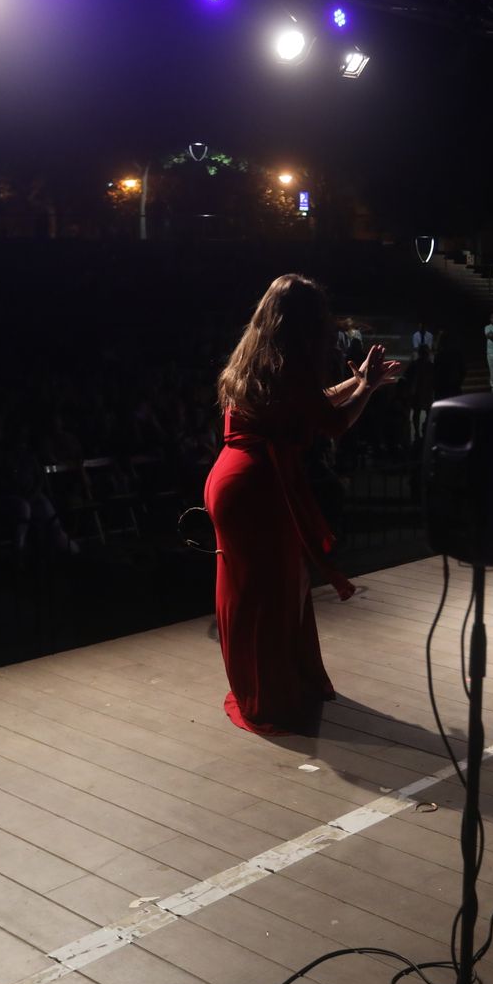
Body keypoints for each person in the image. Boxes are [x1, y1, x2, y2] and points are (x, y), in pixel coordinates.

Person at [204, 275, 402, 735]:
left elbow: (308, 406)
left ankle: (261, 684)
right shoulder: (291, 362)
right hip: (258, 487)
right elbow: (332, 424)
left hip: (232, 479)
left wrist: (355, 382)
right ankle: (268, 696)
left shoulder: (259, 358)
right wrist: (367, 389)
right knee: (272, 593)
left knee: (252, 591)